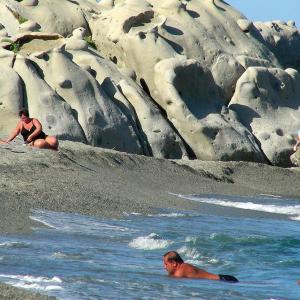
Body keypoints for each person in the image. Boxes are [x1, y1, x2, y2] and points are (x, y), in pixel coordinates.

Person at [163, 251, 238, 283]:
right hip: (223, 279)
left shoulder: (181, 270)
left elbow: (172, 279)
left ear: (174, 263)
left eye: (166, 264)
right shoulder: (183, 267)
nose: (164, 267)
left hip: (225, 280)